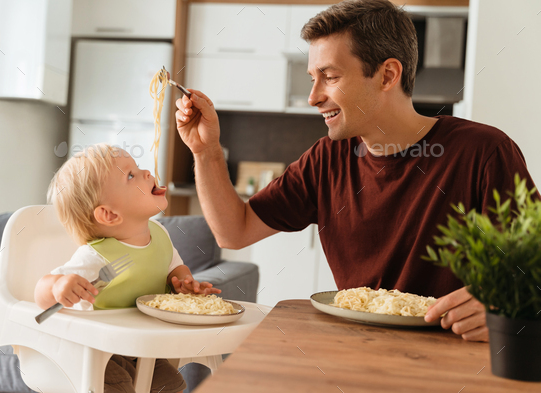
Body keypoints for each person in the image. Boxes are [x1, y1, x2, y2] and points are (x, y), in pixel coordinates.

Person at [173, 0, 537, 343]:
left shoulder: (483, 152)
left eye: (329, 76)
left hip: (451, 354)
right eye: (312, 77)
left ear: (386, 75)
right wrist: (205, 152)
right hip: (355, 348)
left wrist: (504, 306)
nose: (313, 96)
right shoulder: (325, 159)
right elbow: (233, 231)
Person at [34, 143, 221, 393]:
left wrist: (184, 283)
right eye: (130, 175)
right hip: (99, 349)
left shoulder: (160, 234)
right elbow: (41, 291)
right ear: (109, 215)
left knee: (172, 384)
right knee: (118, 387)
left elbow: (175, 268)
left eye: (137, 167)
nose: (146, 173)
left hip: (141, 345)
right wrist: (58, 286)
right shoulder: (98, 255)